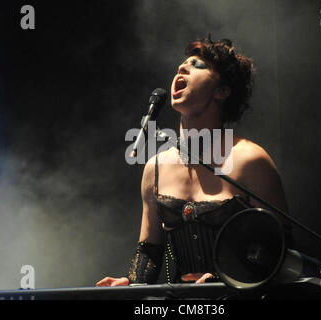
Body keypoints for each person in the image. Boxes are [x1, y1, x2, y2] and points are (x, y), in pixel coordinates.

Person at [96, 38, 290, 287]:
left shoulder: (250, 160)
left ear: (222, 91)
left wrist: (224, 279)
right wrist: (129, 284)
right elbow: (149, 252)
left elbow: (279, 249)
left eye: (197, 64)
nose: (182, 68)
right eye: (182, 63)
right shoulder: (155, 168)